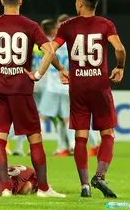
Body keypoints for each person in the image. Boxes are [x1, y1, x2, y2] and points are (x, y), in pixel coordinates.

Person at [0, 0, 66, 198]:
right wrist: (39, 74)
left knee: (0, 137)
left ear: (2, 1)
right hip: (22, 88)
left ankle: (5, 188)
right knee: (35, 138)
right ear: (20, 1)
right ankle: (43, 189)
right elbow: (49, 51)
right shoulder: (30, 26)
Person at [51, 0, 126, 198]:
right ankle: (99, 176)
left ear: (81, 3)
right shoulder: (105, 25)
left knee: (81, 137)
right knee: (107, 133)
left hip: (78, 87)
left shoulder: (68, 26)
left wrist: (60, 69)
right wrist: (119, 66)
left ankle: (84, 185)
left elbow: (50, 49)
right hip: (100, 86)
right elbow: (119, 48)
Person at [39, 16, 100, 157]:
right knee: (68, 118)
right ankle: (67, 147)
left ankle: (71, 146)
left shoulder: (52, 44)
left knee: (50, 117)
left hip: (56, 87)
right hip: (72, 86)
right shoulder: (75, 43)